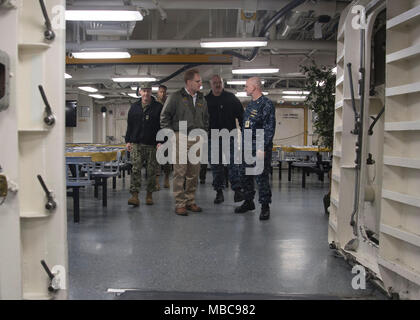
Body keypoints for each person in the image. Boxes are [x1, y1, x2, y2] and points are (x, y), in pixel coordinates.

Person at [160, 68, 209, 216]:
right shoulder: (175, 97)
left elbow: (206, 118)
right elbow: (164, 117)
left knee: (194, 172)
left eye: (200, 81)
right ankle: (180, 203)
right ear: (188, 82)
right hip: (180, 136)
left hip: (197, 137)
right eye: (197, 81)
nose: (200, 83)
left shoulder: (201, 98)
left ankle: (190, 201)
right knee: (179, 172)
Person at [235, 77, 276, 220]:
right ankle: (248, 201)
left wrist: (263, 147)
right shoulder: (250, 105)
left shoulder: (266, 104)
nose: (245, 88)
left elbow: (269, 128)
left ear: (255, 87)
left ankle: (265, 206)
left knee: (261, 177)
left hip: (259, 145)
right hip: (247, 146)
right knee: (244, 175)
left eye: (247, 86)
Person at [205, 74, 244, 204]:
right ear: (210, 84)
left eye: (219, 82)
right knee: (216, 166)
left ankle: (237, 190)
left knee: (233, 164)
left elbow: (241, 116)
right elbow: (201, 119)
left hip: (230, 136)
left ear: (223, 83)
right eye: (215, 82)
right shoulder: (206, 100)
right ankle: (219, 192)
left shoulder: (231, 98)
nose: (217, 84)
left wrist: (245, 132)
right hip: (213, 137)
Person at [125, 83, 163, 207]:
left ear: (151, 92)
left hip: (152, 144)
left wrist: (161, 142)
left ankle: (149, 195)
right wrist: (128, 141)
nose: (146, 93)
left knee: (151, 171)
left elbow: (162, 126)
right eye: (144, 91)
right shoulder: (134, 107)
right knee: (135, 169)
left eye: (148, 90)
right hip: (136, 143)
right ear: (140, 92)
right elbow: (130, 125)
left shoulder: (158, 107)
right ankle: (134, 196)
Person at [155, 84, 171, 190]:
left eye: (164, 91)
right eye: (160, 91)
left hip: (167, 135)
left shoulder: (169, 104)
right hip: (156, 135)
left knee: (167, 160)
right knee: (156, 160)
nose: (162, 93)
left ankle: (166, 178)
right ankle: (156, 181)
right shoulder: (154, 105)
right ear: (157, 93)